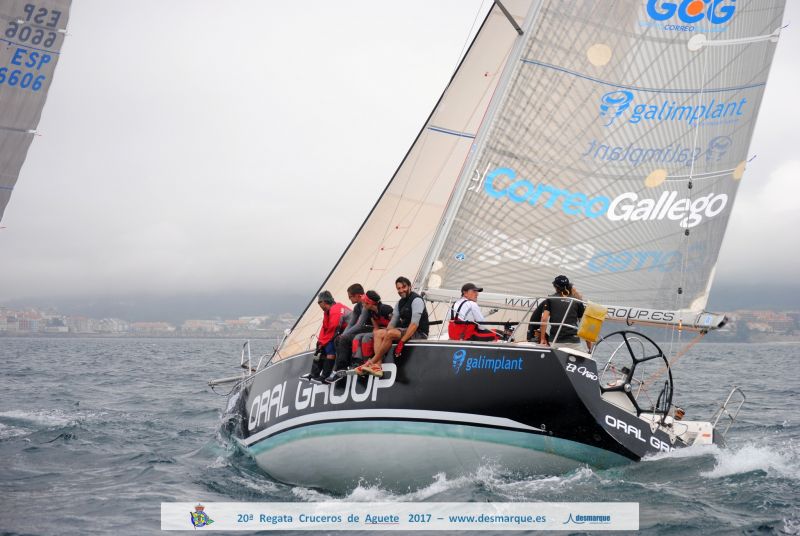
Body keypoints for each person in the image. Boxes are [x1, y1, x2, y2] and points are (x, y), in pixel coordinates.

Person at [355, 276, 428, 378]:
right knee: (378, 333)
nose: (401, 290)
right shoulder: (399, 303)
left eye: (404, 287)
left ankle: (371, 362)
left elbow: (414, 324)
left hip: (419, 333)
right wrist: (384, 334)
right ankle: (377, 367)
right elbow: (392, 323)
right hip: (405, 330)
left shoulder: (416, 300)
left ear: (410, 286)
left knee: (390, 333)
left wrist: (401, 342)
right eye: (398, 288)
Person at [299, 290, 350, 382]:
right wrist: (320, 342)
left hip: (350, 332)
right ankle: (314, 374)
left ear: (325, 302)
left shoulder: (336, 309)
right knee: (320, 346)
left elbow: (334, 328)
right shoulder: (327, 311)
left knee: (329, 346)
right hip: (342, 331)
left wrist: (324, 342)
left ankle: (325, 375)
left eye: (321, 304)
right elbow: (324, 328)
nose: (321, 307)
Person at [325, 283, 372, 382]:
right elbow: (351, 324)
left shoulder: (365, 303)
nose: (349, 299)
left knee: (344, 338)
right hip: (364, 329)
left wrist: (344, 335)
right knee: (338, 339)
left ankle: (341, 368)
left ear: (358, 295)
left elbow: (359, 325)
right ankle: (340, 367)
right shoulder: (357, 307)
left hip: (372, 329)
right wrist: (342, 335)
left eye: (350, 296)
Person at [538, 275, 586, 351]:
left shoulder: (550, 299)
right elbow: (584, 324)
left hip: (555, 341)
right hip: (574, 342)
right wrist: (589, 344)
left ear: (555, 286)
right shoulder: (577, 300)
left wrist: (542, 339)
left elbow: (544, 319)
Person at [349, 290, 393, 368]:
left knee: (366, 338)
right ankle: (358, 362)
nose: (363, 305)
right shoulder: (370, 312)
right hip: (380, 332)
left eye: (364, 303)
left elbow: (395, 323)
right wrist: (375, 333)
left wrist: (378, 333)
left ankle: (369, 362)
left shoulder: (385, 309)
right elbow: (376, 327)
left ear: (369, 302)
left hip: (390, 331)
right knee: (357, 337)